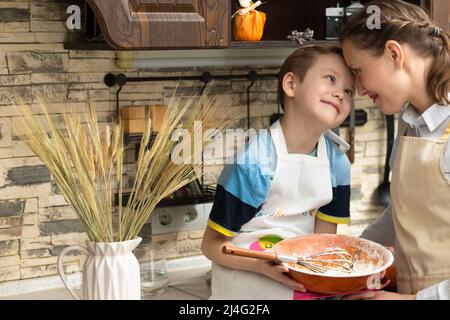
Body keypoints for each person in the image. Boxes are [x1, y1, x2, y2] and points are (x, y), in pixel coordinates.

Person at [201, 44, 355, 300]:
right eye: (330, 79)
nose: (341, 94)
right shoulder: (254, 162)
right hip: (246, 275)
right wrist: (262, 266)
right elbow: (211, 246)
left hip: (297, 270)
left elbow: (322, 244)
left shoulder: (338, 165)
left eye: (349, 91)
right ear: (291, 85)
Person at [340, 0, 450, 300]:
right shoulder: (410, 122)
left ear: (393, 54)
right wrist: (346, 260)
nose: (359, 88)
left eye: (358, 70)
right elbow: (400, 216)